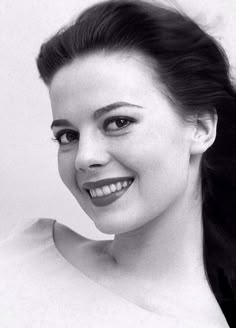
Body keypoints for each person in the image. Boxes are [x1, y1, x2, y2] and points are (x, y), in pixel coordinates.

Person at [0, 0, 235, 327]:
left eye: (118, 122)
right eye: (68, 135)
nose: (84, 158)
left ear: (201, 127)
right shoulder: (30, 244)